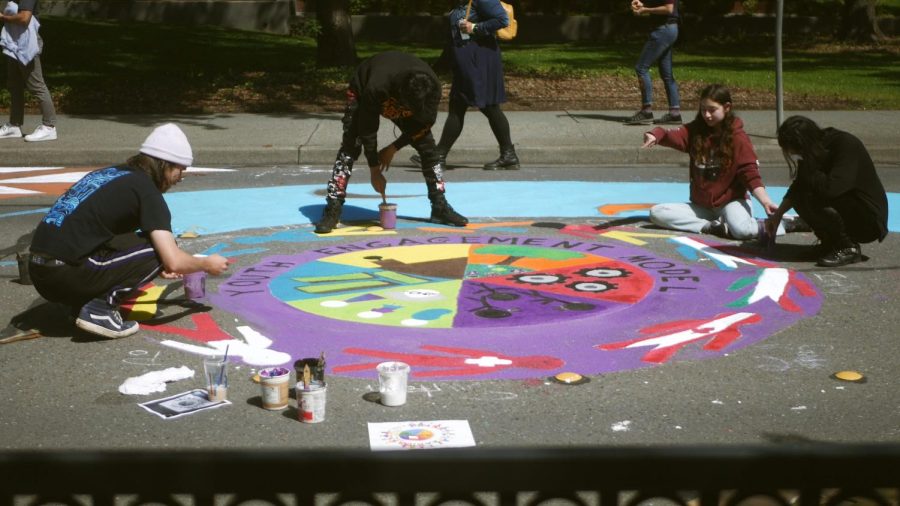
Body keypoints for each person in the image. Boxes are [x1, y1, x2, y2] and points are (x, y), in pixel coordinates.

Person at [28, 124, 229, 339]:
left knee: (143, 248)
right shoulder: (147, 192)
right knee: (159, 250)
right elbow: (173, 261)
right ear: (164, 164)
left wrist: (138, 266)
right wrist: (206, 264)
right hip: (66, 276)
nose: (180, 177)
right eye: (181, 169)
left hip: (40, 273)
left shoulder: (109, 174)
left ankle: (78, 304)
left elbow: (104, 234)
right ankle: (99, 311)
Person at [315, 51, 468, 234]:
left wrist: (393, 147)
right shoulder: (377, 87)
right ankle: (333, 207)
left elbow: (424, 124)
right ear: (400, 98)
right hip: (363, 91)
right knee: (351, 145)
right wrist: (374, 169)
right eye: (405, 109)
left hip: (398, 93)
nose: (405, 113)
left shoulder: (431, 88)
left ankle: (439, 206)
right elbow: (368, 129)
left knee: (428, 147)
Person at [641, 84, 786, 240]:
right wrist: (655, 135)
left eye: (712, 110)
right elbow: (672, 135)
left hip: (731, 202)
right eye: (703, 109)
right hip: (703, 207)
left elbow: (750, 175)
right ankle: (711, 227)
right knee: (658, 212)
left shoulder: (738, 137)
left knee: (741, 231)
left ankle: (785, 224)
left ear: (727, 107)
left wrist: (765, 202)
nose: (707, 115)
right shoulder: (695, 130)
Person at [766, 115, 888, 267]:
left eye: (796, 151)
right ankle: (830, 242)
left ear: (804, 143)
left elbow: (833, 190)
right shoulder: (814, 149)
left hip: (868, 219)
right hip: (848, 207)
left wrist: (808, 168)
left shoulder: (846, 145)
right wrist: (777, 216)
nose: (794, 155)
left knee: (812, 195)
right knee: (801, 195)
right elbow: (798, 187)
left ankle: (847, 247)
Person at [414, 0, 518, 170]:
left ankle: (508, 155)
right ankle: (439, 156)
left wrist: (475, 28)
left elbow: (501, 19)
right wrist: (437, 68)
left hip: (480, 59)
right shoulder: (458, 4)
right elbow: (453, 38)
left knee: (488, 107)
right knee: (459, 106)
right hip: (466, 61)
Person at [0, 0, 57, 142]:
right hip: (14, 43)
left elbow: (25, 18)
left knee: (37, 86)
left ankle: (49, 127)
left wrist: (2, 17)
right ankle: (14, 125)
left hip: (27, 43)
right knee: (14, 85)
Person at [625, 0, 682, 126]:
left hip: (663, 30)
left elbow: (668, 9)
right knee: (667, 74)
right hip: (669, 29)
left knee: (641, 68)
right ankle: (674, 113)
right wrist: (642, 5)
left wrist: (646, 10)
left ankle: (646, 111)